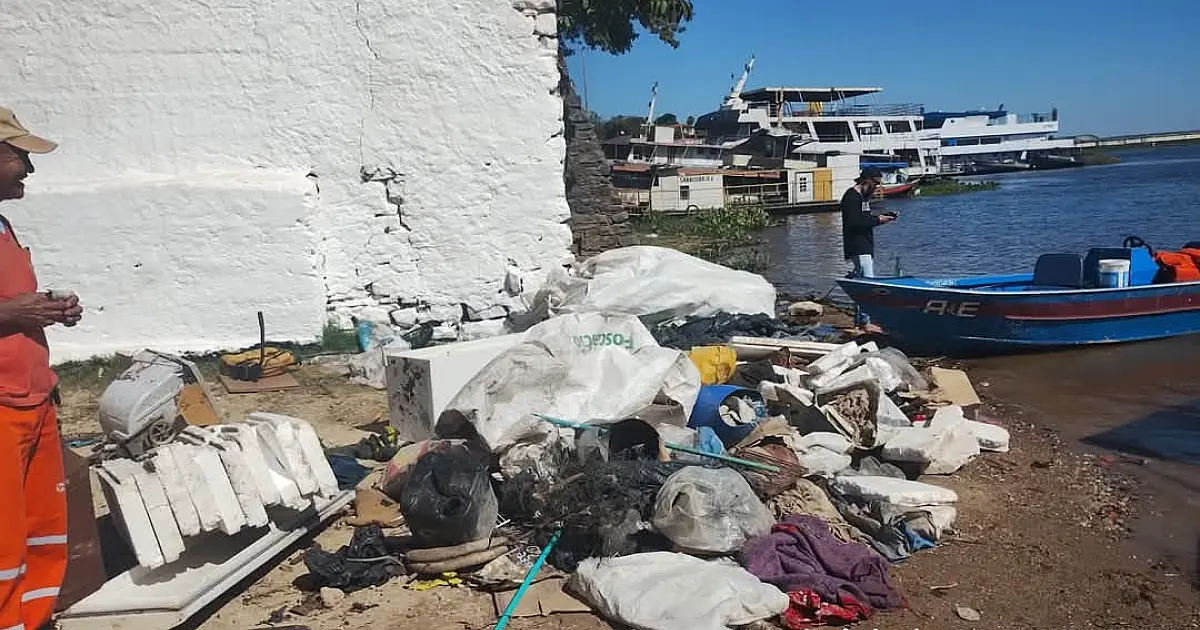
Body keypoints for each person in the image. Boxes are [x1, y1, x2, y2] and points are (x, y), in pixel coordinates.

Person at [0, 106, 81, 630]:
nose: (28, 169)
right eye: (19, 156)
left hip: (32, 400)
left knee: (42, 534)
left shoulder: (3, 227)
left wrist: (50, 311)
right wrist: (13, 314)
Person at [840, 167, 897, 329]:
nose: (877, 187)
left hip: (864, 244)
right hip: (857, 245)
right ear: (866, 180)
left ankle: (862, 320)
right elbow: (854, 222)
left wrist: (883, 216)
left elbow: (864, 218)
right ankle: (865, 322)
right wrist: (878, 220)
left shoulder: (862, 197)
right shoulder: (852, 197)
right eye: (875, 183)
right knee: (868, 284)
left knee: (863, 282)